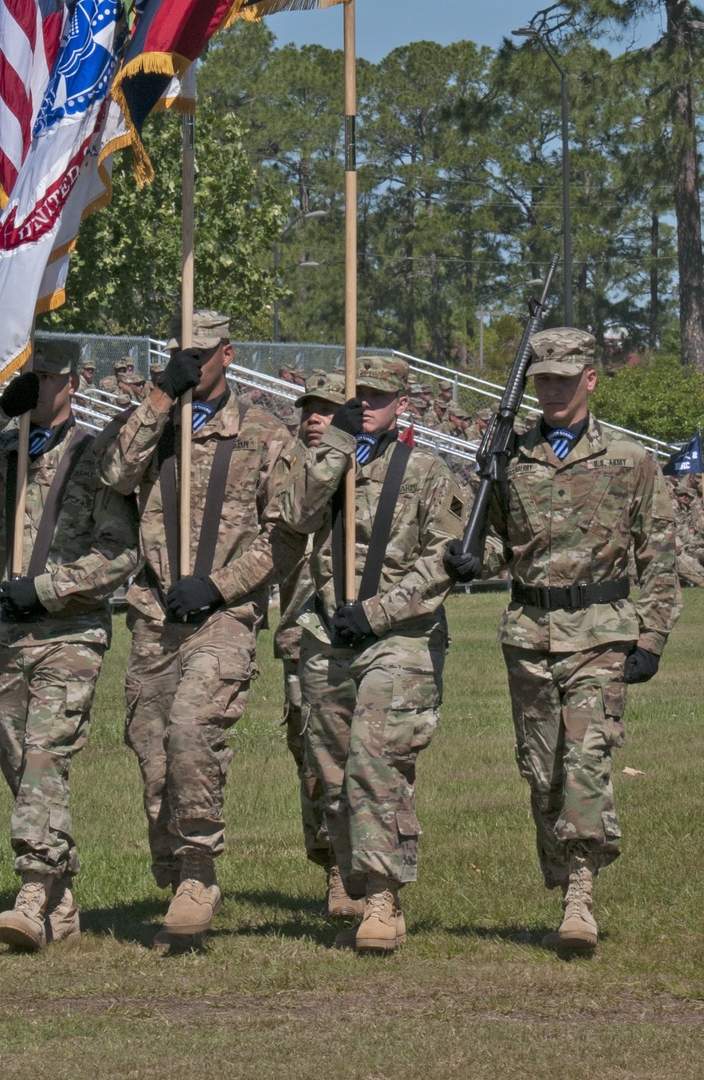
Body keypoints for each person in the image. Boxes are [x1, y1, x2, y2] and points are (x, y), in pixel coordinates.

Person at [444, 327, 681, 952]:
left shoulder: (629, 461)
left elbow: (657, 555)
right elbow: (496, 541)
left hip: (601, 635)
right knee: (541, 768)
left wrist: (652, 638)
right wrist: (470, 558)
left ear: (590, 380)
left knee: (586, 760)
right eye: (542, 379)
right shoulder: (509, 457)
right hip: (527, 633)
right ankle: (565, 870)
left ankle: (581, 897)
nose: (551, 389)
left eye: (563, 379)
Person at [100, 309, 304, 948]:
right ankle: (174, 863)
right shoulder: (152, 421)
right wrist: (161, 395)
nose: (192, 363)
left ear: (228, 354)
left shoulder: (266, 433)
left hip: (222, 614)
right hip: (156, 614)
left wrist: (220, 584)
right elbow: (113, 474)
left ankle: (198, 869)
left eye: (203, 353)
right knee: (153, 750)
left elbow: (286, 537)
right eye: (180, 353)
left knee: (192, 730)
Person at [0, 337, 139, 951]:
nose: (39, 386)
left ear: (74, 382)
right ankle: (61, 888)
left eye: (46, 377)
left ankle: (29, 890)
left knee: (46, 757)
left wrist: (47, 589)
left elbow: (122, 553)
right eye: (30, 376)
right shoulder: (4, 449)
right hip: (5, 633)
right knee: (18, 761)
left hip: (68, 632)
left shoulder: (97, 456)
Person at [278, 355, 465, 953]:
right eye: (353, 400)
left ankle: (383, 895)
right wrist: (337, 440)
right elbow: (296, 516)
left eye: (377, 398)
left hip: (400, 636)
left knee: (375, 763)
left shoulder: (429, 472)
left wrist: (381, 610)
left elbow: (451, 555)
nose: (365, 409)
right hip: (328, 633)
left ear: (400, 405)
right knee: (329, 772)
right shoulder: (324, 460)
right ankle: (352, 879)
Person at [275, 371, 355, 918]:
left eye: (327, 409)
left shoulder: (365, 469)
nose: (314, 418)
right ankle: (333, 868)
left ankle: (367, 866)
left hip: (364, 627)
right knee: (312, 755)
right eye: (308, 409)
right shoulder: (290, 468)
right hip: (304, 636)